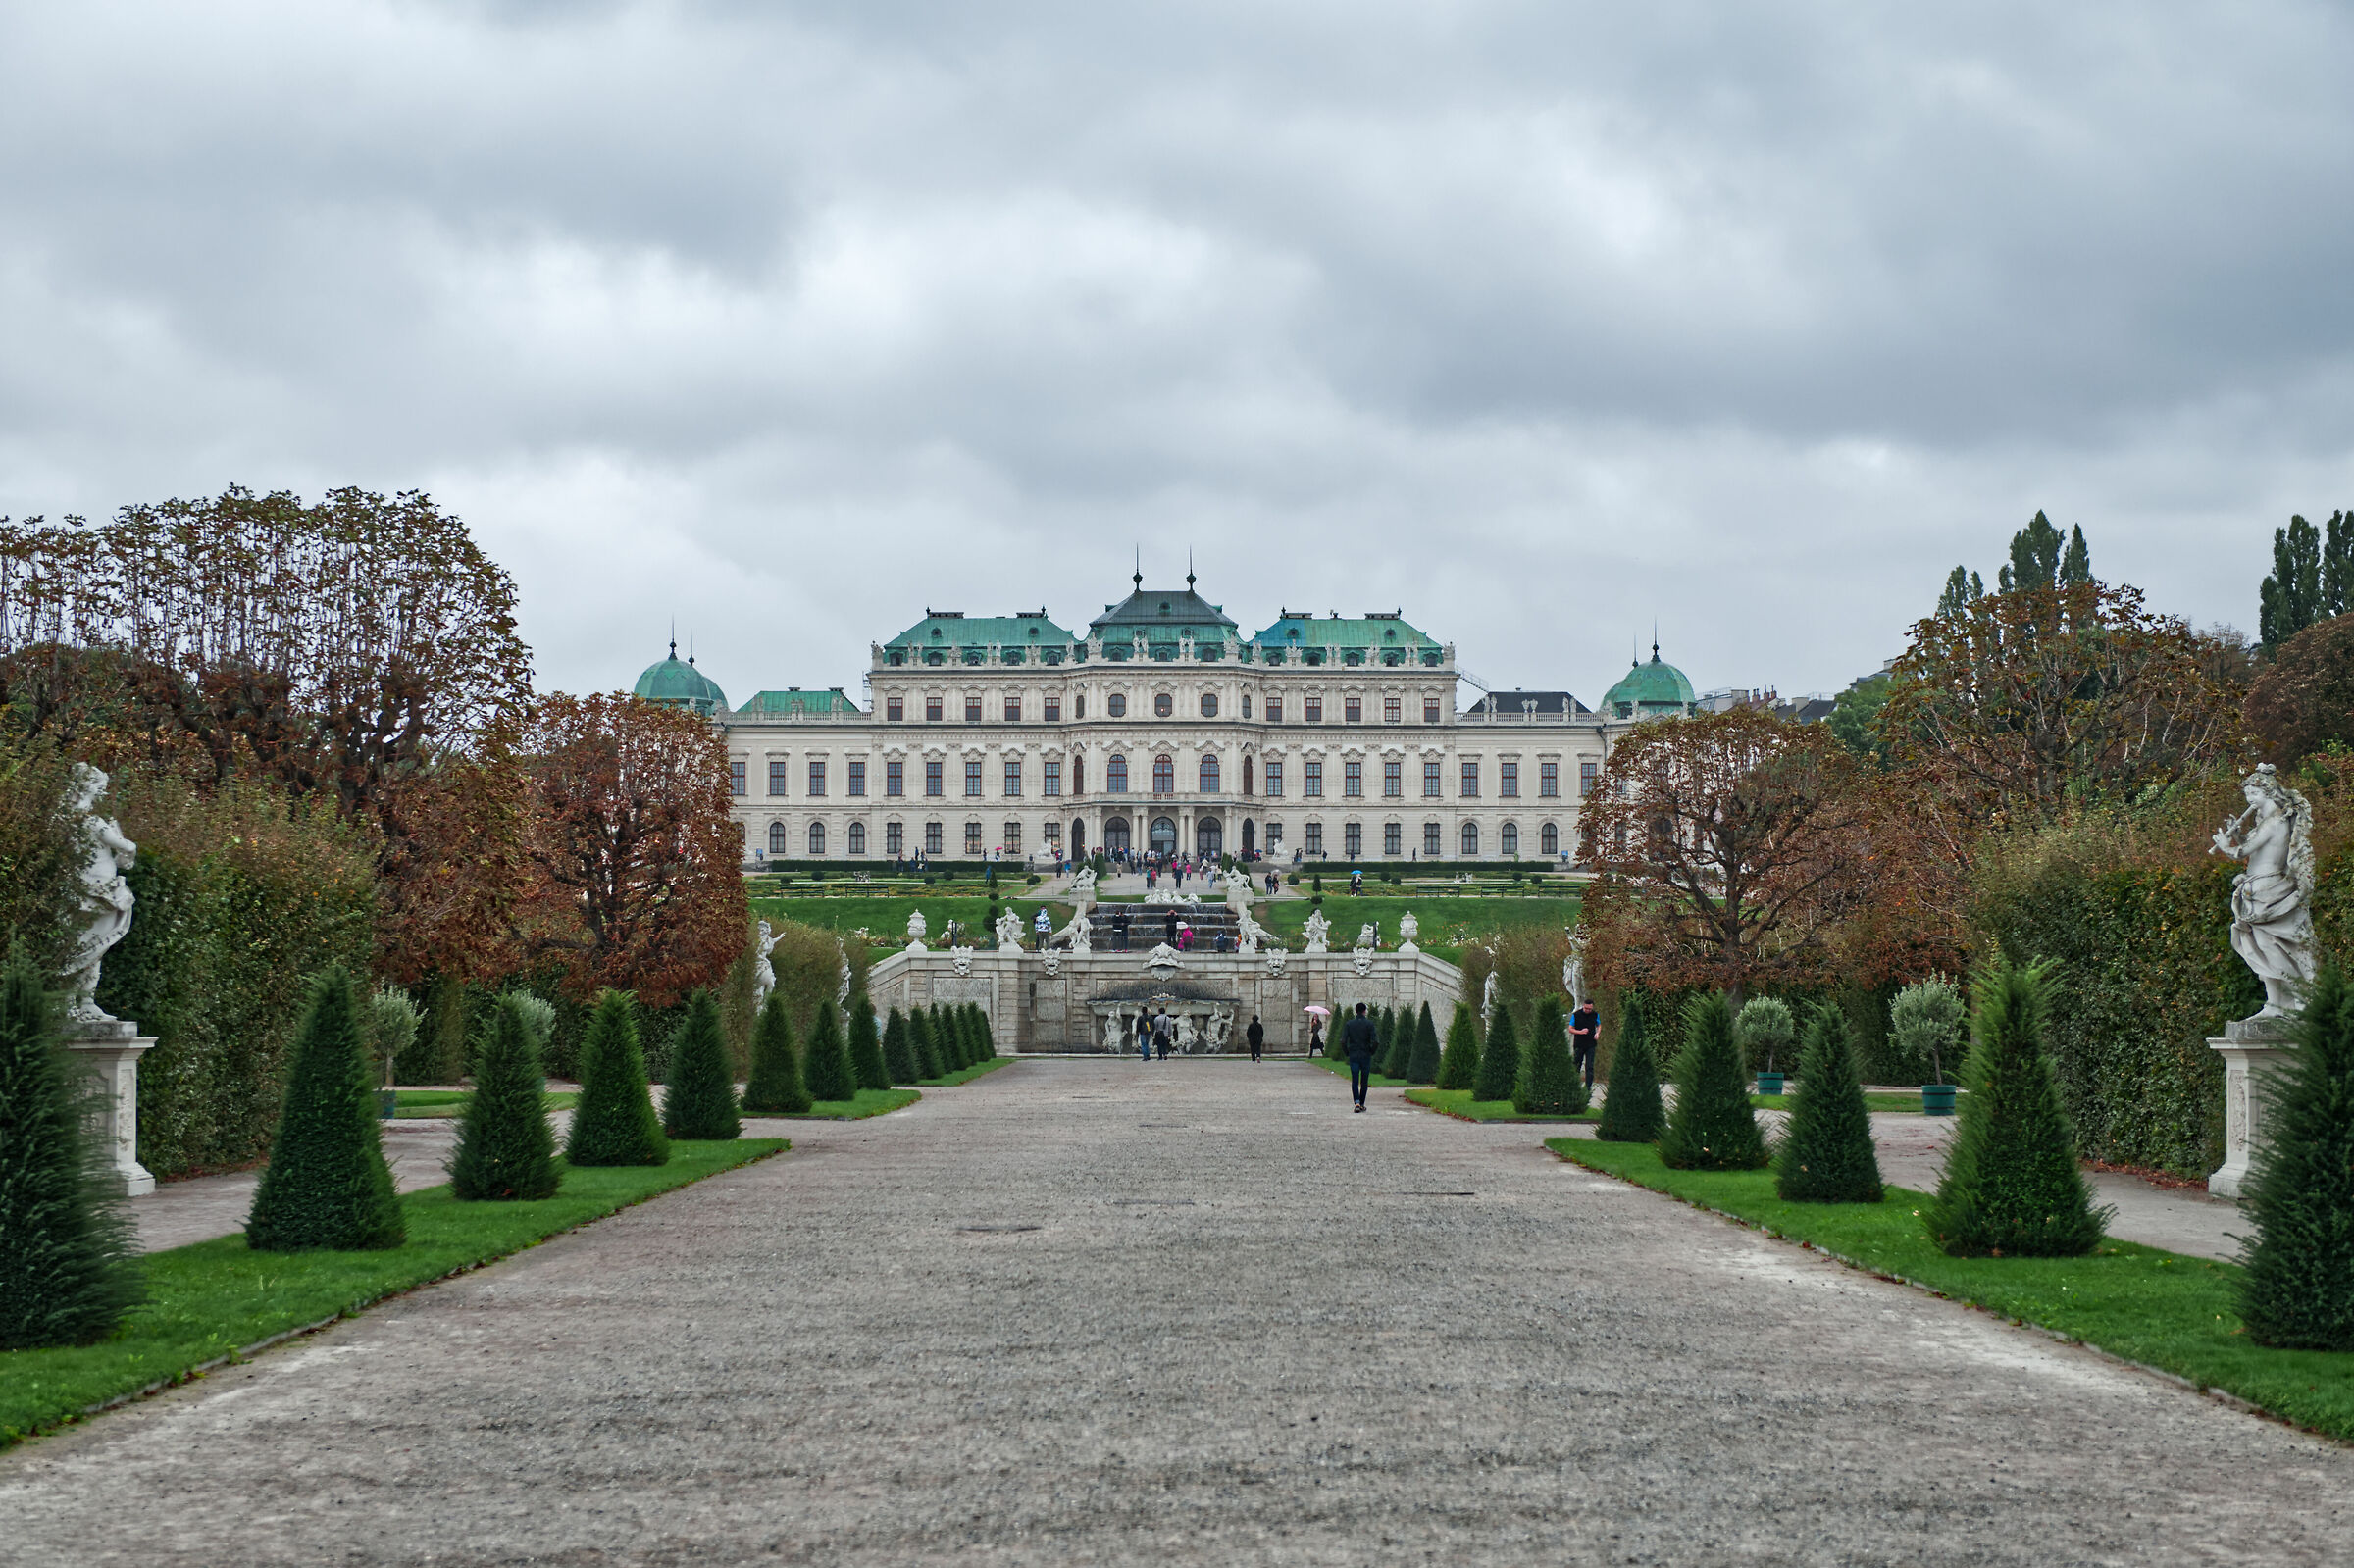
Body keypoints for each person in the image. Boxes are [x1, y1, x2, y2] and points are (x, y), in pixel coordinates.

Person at [1342, 1002, 1378, 1111]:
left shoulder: (1349, 1024)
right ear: (1364, 1011)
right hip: (1365, 1054)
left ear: (1356, 1011)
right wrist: (1372, 1051)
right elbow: (1376, 1041)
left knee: (1354, 1080)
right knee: (1364, 1081)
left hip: (1354, 1054)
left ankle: (1356, 1103)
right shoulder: (1369, 1024)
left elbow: (1343, 1041)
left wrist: (1347, 1052)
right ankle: (1362, 1103)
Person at [1569, 997, 1601, 1090]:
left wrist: (1597, 1033)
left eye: (1590, 1009)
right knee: (1576, 1065)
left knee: (1589, 1066)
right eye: (1586, 1009)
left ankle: (1588, 1087)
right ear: (1583, 1006)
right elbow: (1570, 1029)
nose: (1588, 1010)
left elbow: (1598, 1025)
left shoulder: (1595, 1015)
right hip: (1579, 1044)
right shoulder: (1576, 1015)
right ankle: (1574, 1085)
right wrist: (1580, 1032)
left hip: (1591, 1044)